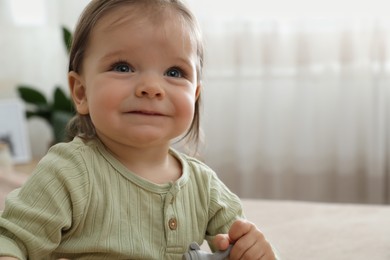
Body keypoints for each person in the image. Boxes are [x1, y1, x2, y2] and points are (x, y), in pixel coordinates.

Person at [0, 0, 277, 259]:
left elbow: (238, 244)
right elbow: (11, 241)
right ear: (82, 92)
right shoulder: (68, 173)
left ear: (195, 94)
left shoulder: (205, 186)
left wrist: (253, 249)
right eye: (123, 67)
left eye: (174, 72)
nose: (152, 87)